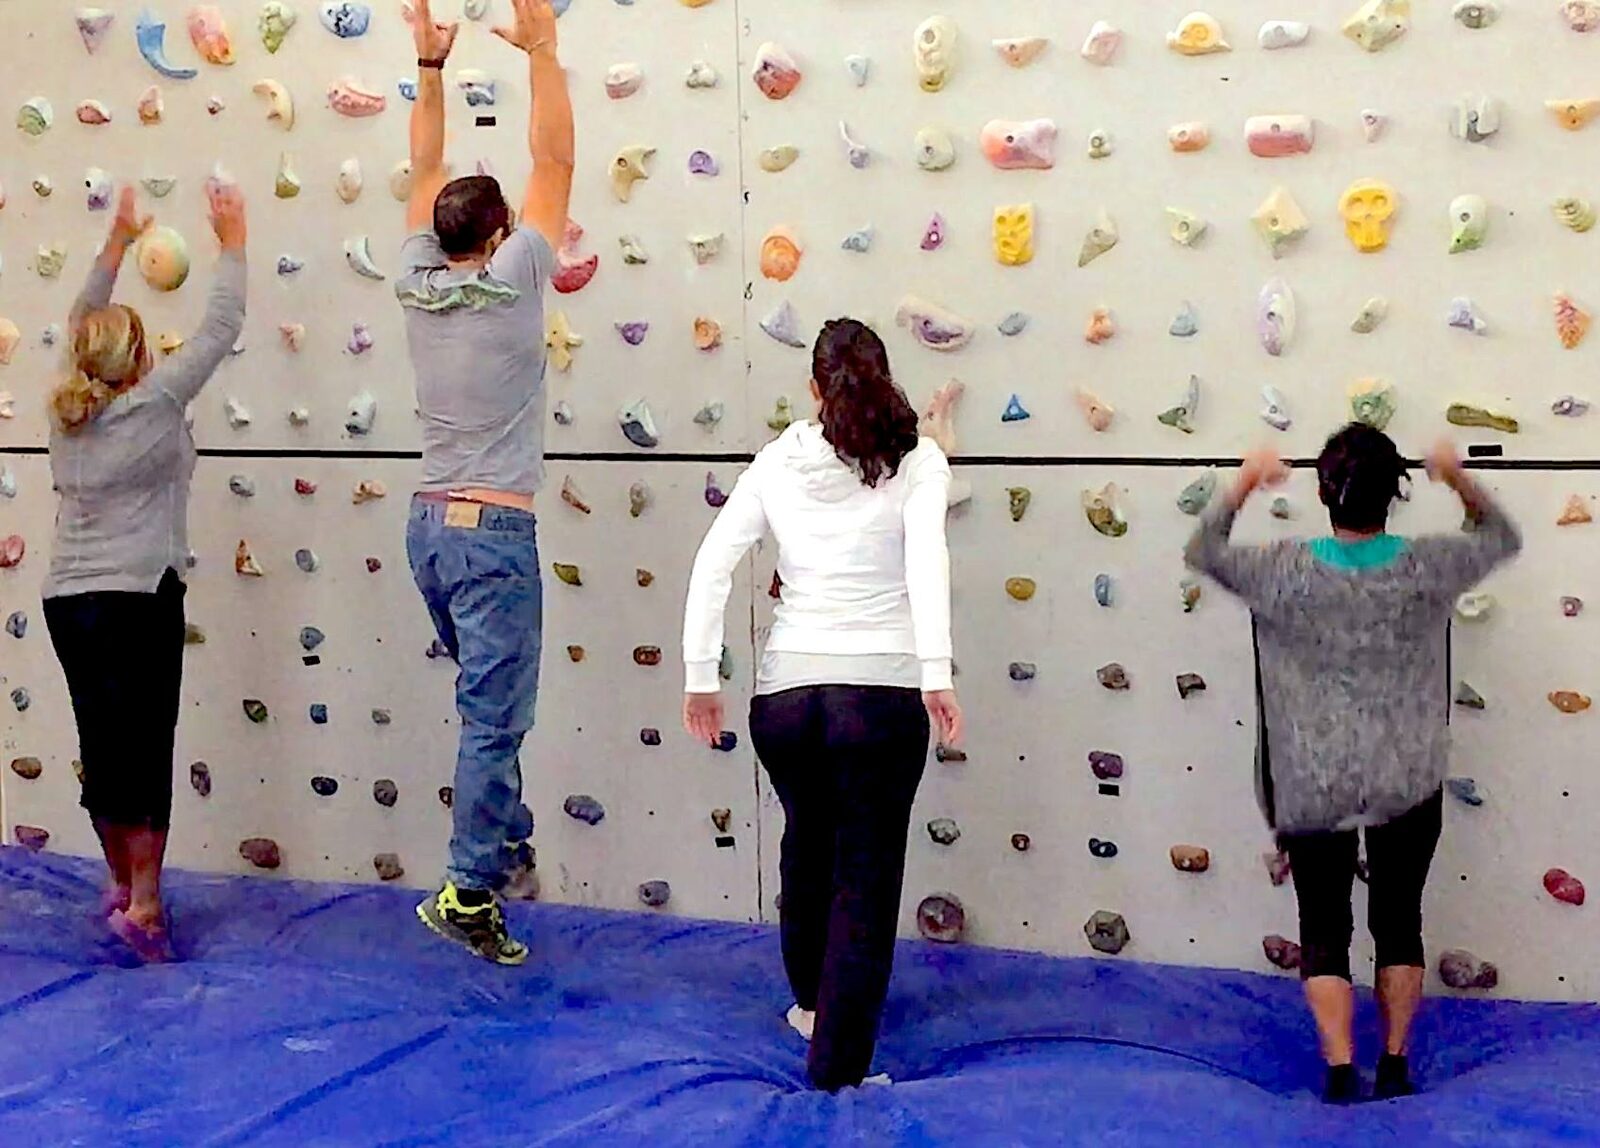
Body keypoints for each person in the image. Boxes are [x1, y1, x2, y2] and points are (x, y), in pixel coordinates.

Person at [1184, 425, 1521, 1104]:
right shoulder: (1427, 566)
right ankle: (1394, 1063)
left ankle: (1341, 1070)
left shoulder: (1281, 569)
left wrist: (1248, 477)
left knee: (1323, 928)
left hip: (1314, 780)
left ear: (1321, 491)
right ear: (1395, 493)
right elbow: (1501, 536)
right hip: (1406, 777)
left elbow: (1203, 548)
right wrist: (1455, 476)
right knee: (1400, 921)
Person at [681, 318, 964, 1090]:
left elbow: (715, 562)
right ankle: (838, 1068)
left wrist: (700, 674)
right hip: (877, 695)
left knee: (808, 846)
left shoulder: (779, 459)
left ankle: (810, 1005)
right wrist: (935, 670)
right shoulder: (919, 460)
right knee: (865, 880)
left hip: (786, 700)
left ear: (814, 387)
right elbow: (926, 563)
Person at [397, 0, 574, 965]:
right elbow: (556, 165)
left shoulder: (418, 282)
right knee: (493, 717)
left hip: (427, 527)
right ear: (502, 233)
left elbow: (425, 172)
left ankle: (499, 841)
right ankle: (469, 889)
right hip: (493, 534)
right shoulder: (516, 282)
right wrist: (543, 50)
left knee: (483, 702)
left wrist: (429, 72)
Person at [43, 181, 248, 962]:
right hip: (136, 599)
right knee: (144, 745)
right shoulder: (157, 403)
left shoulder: (68, 411)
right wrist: (232, 238)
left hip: (70, 599)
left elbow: (76, 322)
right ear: (136, 362)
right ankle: (150, 903)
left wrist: (118, 243)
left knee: (102, 743)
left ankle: (120, 886)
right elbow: (222, 324)